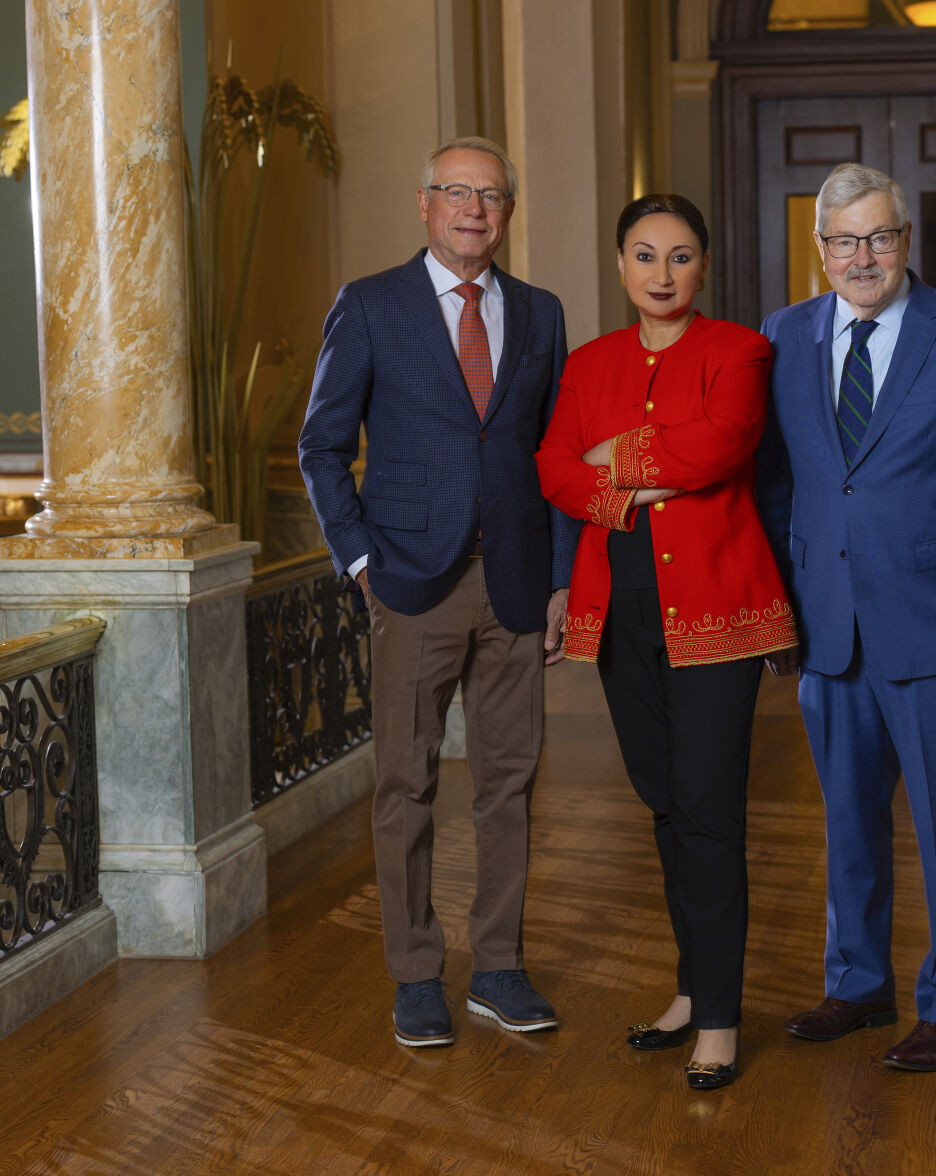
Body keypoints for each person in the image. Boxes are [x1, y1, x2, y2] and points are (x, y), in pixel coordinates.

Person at [298, 136, 580, 1050]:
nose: (474, 209)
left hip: (515, 582)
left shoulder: (540, 314)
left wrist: (562, 580)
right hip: (412, 583)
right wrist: (360, 561)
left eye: (491, 195)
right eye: (456, 192)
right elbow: (321, 447)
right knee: (406, 783)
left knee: (508, 782)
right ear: (424, 204)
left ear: (507, 211)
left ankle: (498, 965)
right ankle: (416, 974)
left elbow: (558, 458)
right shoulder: (371, 305)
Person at [757, 162, 936, 1072]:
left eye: (879, 236)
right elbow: (779, 485)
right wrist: (771, 612)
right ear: (820, 251)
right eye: (844, 241)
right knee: (846, 824)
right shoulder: (785, 338)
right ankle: (858, 984)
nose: (862, 256)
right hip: (827, 625)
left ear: (905, 240)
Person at [536, 194, 796, 1091]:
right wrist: (629, 487)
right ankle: (692, 987)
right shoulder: (588, 362)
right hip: (622, 612)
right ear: (620, 267)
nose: (661, 273)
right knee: (663, 803)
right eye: (644, 256)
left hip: (718, 613)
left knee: (710, 810)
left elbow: (722, 446)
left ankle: (719, 1020)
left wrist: (612, 458)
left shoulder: (740, 351)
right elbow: (553, 467)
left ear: (703, 266)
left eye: (679, 256)